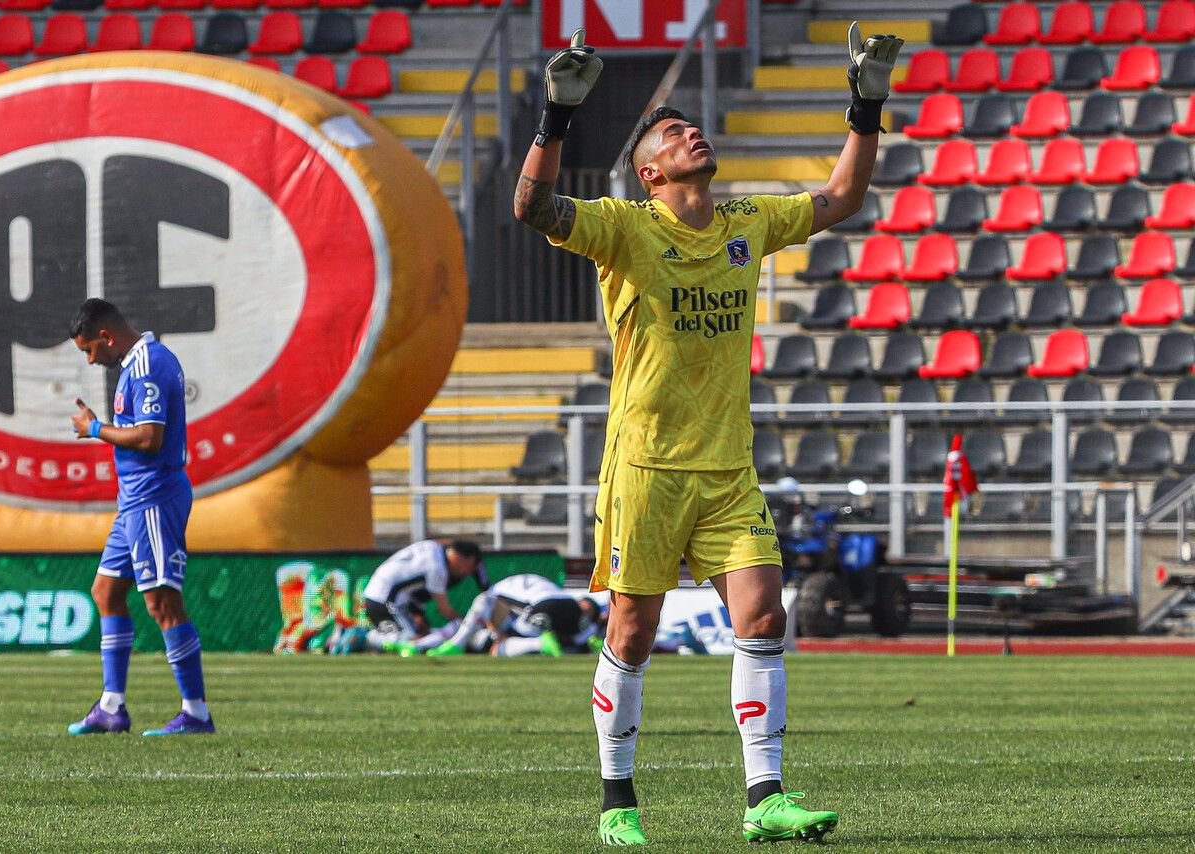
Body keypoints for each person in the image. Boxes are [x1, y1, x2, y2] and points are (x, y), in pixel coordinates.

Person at [514, 25, 902, 845]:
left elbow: (843, 197)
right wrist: (555, 116)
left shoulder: (747, 221)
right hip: (645, 467)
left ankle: (765, 797)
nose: (693, 132)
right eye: (671, 133)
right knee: (632, 631)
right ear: (649, 171)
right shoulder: (622, 227)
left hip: (727, 469)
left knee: (763, 618)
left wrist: (865, 104)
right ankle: (618, 802)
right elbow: (532, 208)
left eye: (693, 127)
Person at [65, 298, 213, 736]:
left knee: (162, 602)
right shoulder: (134, 363)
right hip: (133, 499)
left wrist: (94, 429)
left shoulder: (148, 363)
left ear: (107, 336)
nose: (92, 360)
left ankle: (196, 713)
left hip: (154, 498)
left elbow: (150, 437)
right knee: (106, 591)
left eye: (90, 350)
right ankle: (112, 706)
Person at [361, 539, 488, 655]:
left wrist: (418, 615)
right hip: (384, 601)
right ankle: (363, 637)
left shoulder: (433, 547)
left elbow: (415, 592)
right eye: (469, 569)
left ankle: (374, 638)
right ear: (464, 560)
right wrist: (466, 627)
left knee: (420, 636)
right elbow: (445, 610)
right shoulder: (438, 568)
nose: (465, 574)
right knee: (411, 643)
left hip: (380, 597)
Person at [427, 572, 591, 657]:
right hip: (570, 603)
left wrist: (497, 634)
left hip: (542, 607)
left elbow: (491, 607)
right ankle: (590, 641)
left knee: (498, 648)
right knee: (577, 640)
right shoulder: (516, 582)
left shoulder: (494, 593)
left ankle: (541, 644)